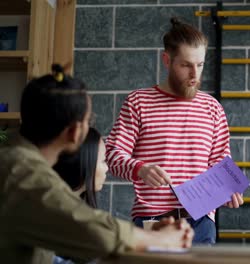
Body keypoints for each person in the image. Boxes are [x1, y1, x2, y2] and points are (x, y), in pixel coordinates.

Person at [0, 64, 193, 264]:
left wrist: (149, 238)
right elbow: (90, 229)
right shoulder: (21, 172)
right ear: (74, 132)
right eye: (89, 120)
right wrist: (160, 240)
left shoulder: (14, 158)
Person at [105, 17, 243, 244]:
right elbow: (111, 155)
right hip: (152, 222)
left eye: (200, 65)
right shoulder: (138, 101)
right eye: (186, 65)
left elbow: (220, 161)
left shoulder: (213, 108)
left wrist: (228, 188)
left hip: (201, 223)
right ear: (167, 60)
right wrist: (140, 168)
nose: (194, 75)